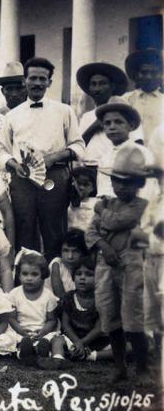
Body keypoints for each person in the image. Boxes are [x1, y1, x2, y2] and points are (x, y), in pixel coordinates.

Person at [0, 57, 85, 261]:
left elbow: (79, 146)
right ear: (24, 81)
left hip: (54, 177)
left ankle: (57, 280)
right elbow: (2, 150)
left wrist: (55, 157)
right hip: (22, 180)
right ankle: (26, 281)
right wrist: (13, 164)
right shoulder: (12, 115)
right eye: (33, 78)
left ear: (49, 82)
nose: (37, 83)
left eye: (42, 78)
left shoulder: (64, 111)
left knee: (54, 229)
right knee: (25, 227)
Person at [85, 143, 153, 381]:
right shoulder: (107, 203)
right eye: (117, 181)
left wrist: (101, 210)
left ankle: (142, 368)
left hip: (132, 266)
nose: (121, 186)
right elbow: (90, 233)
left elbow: (118, 221)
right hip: (106, 265)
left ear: (139, 184)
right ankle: (119, 366)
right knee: (109, 315)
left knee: (133, 317)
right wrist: (104, 247)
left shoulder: (141, 207)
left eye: (128, 182)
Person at [8, 250, 67, 369]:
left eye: (34, 274)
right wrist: (22, 332)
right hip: (21, 330)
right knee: (11, 338)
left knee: (50, 338)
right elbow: (12, 318)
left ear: (43, 276)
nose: (29, 278)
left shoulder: (48, 295)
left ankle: (43, 350)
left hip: (42, 330)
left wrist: (42, 333)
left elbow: (52, 320)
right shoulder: (14, 294)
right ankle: (23, 352)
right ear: (19, 275)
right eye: (25, 274)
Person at [90, 103, 158, 200]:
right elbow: (103, 190)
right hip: (109, 210)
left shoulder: (141, 153)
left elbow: (147, 191)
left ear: (131, 126)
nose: (112, 127)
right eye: (107, 123)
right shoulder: (105, 156)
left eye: (118, 122)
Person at [60, 256, 113, 361]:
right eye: (78, 274)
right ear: (73, 277)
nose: (82, 278)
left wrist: (82, 342)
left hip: (96, 339)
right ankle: (70, 353)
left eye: (89, 274)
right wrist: (77, 342)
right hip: (74, 338)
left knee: (128, 346)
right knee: (57, 340)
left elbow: (99, 328)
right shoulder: (69, 297)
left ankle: (92, 356)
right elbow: (65, 324)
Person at [76, 62, 136, 150]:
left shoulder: (125, 112)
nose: (97, 89)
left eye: (102, 83)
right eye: (93, 84)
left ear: (112, 86)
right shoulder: (86, 117)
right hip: (90, 163)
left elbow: (136, 142)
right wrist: (95, 126)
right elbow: (80, 145)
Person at [123, 48, 163, 142]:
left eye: (153, 72)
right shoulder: (126, 99)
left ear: (160, 74)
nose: (149, 77)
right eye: (144, 72)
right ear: (137, 75)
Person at [46, 229, 88, 299]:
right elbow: (60, 295)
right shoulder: (57, 263)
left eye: (75, 251)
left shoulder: (84, 266)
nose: (70, 256)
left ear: (83, 252)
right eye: (65, 251)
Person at [67, 166, 98, 233]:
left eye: (86, 185)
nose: (81, 187)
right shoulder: (68, 203)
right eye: (78, 183)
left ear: (93, 187)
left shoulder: (96, 204)